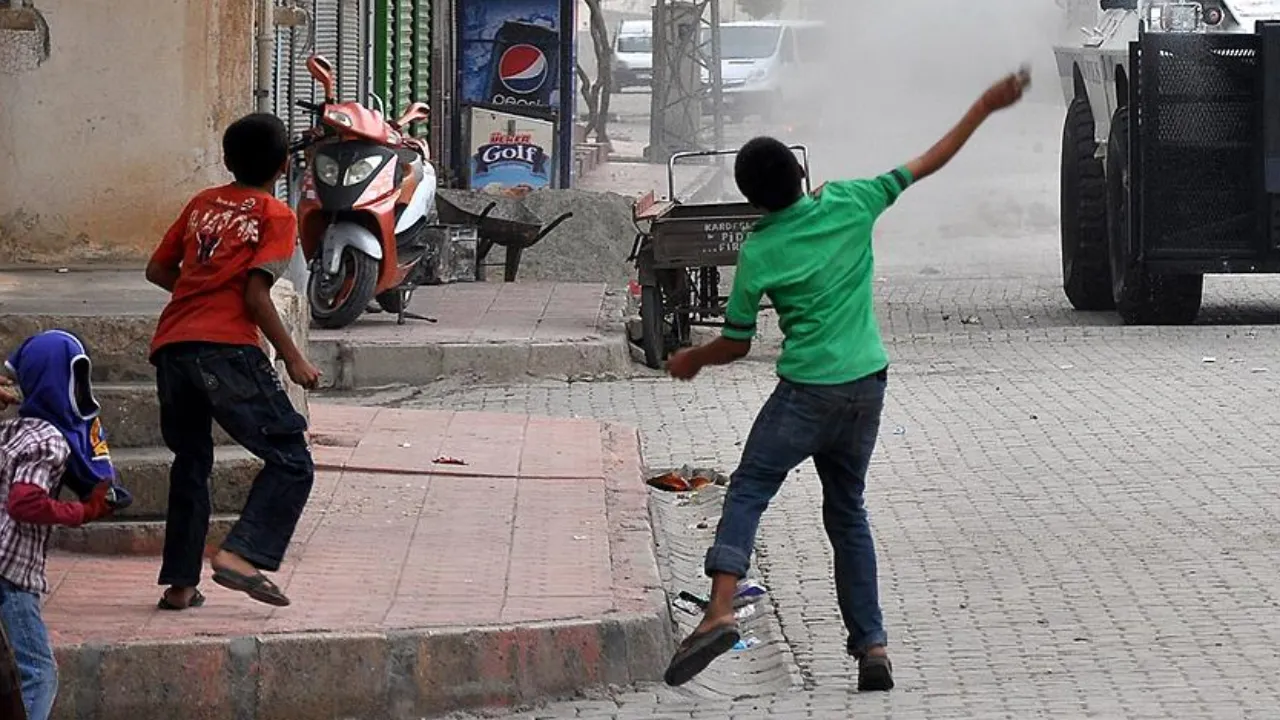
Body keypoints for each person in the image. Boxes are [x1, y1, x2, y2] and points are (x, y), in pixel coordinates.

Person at [660, 68, 1032, 691]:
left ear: (754, 201)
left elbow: (737, 342)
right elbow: (929, 160)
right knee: (847, 514)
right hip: (866, 388)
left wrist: (693, 359)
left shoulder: (759, 249)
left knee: (750, 486)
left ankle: (721, 610)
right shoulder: (854, 200)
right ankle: (873, 648)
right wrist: (985, 104)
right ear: (803, 177)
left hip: (806, 394)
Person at [145, 112, 322, 611]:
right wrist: (294, 360)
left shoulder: (203, 203)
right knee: (291, 458)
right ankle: (243, 556)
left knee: (191, 463)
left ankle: (180, 585)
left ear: (226, 160)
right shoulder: (275, 215)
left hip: (173, 348)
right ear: (285, 165)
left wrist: (197, 296)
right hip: (225, 351)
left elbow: (158, 268)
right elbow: (255, 295)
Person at [0, 330, 126, 720]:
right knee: (39, 673)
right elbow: (26, 502)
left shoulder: (13, 430)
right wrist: (84, 512)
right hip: (11, 572)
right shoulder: (51, 441)